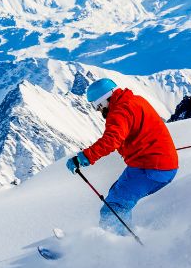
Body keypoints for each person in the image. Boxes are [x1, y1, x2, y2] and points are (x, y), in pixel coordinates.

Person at [66, 78, 178, 235]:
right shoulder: (134, 100)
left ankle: (118, 248)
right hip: (162, 164)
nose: (98, 111)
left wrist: (83, 157)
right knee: (116, 195)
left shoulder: (119, 111)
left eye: (97, 106)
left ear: (104, 101)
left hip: (151, 167)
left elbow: (111, 140)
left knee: (113, 209)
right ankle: (124, 235)